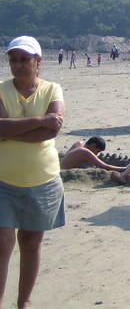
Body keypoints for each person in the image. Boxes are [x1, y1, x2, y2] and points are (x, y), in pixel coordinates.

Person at [0, 36, 65, 309]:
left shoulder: (53, 89)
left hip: (43, 179)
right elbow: (1, 130)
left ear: (38, 62)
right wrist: (39, 121)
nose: (18, 65)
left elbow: (53, 130)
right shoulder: (1, 90)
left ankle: (23, 301)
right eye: (13, 60)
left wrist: (13, 129)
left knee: (30, 241)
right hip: (4, 179)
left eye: (24, 60)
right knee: (2, 242)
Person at [60, 136, 124, 172]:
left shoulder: (79, 143)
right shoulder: (84, 152)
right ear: (93, 145)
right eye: (97, 151)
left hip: (61, 169)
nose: (96, 154)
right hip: (67, 173)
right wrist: (123, 169)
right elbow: (104, 166)